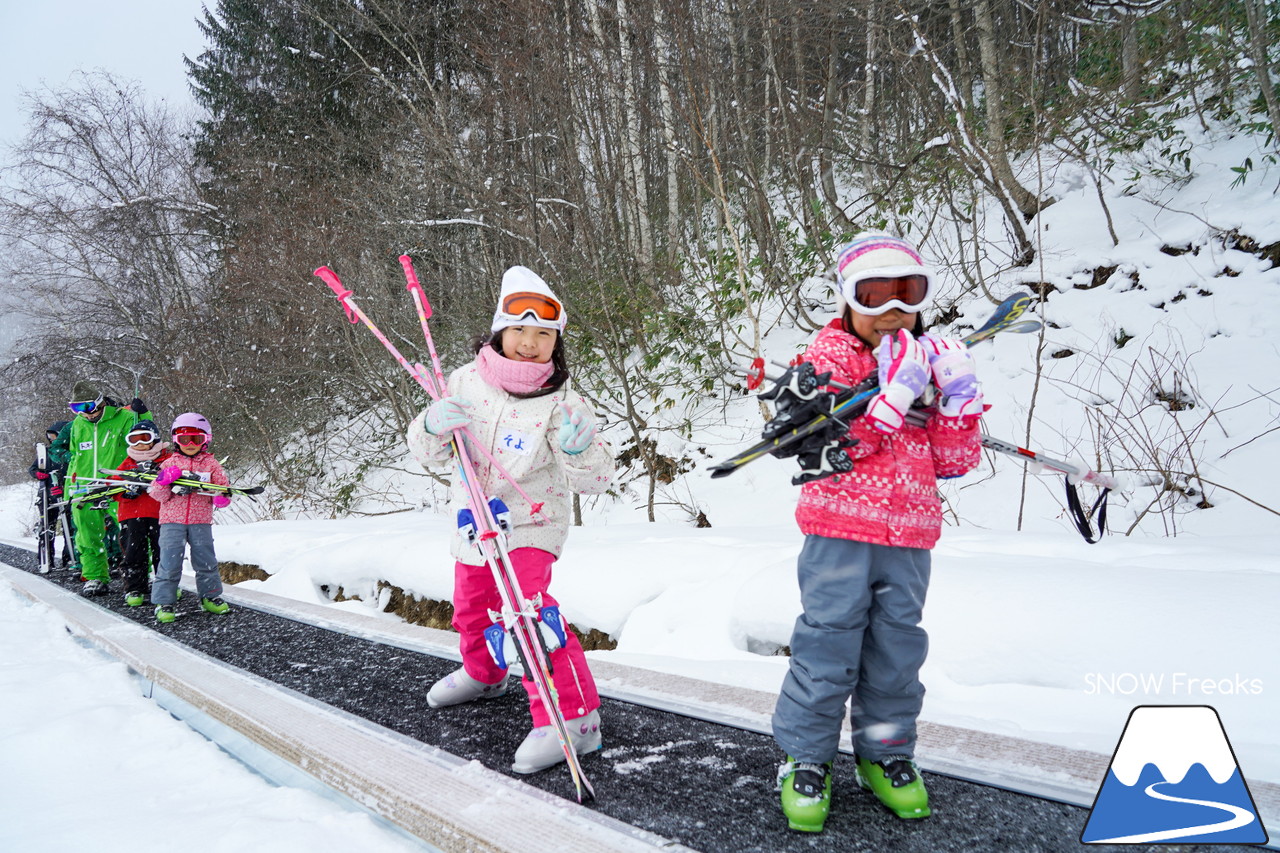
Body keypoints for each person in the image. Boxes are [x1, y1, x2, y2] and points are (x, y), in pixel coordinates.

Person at [771, 233, 984, 831]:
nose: (892, 307)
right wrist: (891, 397)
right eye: (874, 292)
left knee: (895, 653)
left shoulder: (932, 360)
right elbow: (820, 448)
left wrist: (956, 399)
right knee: (827, 646)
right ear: (849, 301)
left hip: (911, 535)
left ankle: (886, 753)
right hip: (840, 531)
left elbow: (954, 461)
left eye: (907, 291)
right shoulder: (828, 359)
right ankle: (805, 758)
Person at [406, 265, 615, 775]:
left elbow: (594, 479)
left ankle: (575, 719)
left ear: (556, 343)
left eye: (543, 334)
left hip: (530, 525)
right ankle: (485, 672)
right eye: (520, 330)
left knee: (525, 614)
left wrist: (581, 448)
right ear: (500, 331)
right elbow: (430, 453)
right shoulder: (461, 381)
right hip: (475, 521)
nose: (529, 342)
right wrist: (431, 424)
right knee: (472, 607)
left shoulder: (563, 402)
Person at [49, 382, 147, 595]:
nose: (82, 414)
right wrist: (70, 461)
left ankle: (140, 576)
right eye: (76, 409)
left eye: (85, 407)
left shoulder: (125, 418)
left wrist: (144, 414)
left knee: (132, 532)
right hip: (83, 486)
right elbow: (60, 450)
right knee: (86, 535)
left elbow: (146, 437)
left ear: (99, 402)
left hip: (116, 484)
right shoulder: (76, 425)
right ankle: (95, 576)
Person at [148, 412, 232, 624]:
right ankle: (164, 601)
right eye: (185, 439)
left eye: (197, 439)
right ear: (176, 440)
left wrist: (222, 497)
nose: (190, 444)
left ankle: (210, 595)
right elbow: (158, 495)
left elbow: (222, 488)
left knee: (206, 560)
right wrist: (163, 481)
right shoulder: (169, 463)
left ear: (206, 440)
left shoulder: (211, 465)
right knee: (169, 562)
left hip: (200, 521)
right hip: (171, 522)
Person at [111, 420, 169, 607]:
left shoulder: (166, 460)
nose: (139, 444)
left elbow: (178, 478)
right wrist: (126, 492)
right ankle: (135, 586)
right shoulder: (127, 463)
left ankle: (166, 583)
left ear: (155, 439)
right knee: (133, 552)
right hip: (132, 514)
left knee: (164, 551)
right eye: (134, 439)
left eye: (144, 438)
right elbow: (112, 484)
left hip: (161, 513)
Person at [29, 421, 73, 568]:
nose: (52, 439)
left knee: (71, 529)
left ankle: (70, 558)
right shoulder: (47, 452)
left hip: (67, 495)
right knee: (47, 528)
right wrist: (38, 473)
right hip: (47, 495)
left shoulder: (69, 454)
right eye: (50, 436)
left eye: (54, 436)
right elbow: (33, 468)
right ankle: (47, 558)